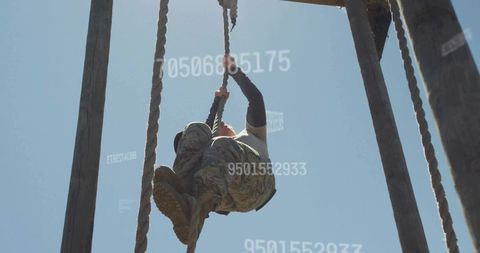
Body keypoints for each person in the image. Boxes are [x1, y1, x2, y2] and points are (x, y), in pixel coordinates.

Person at [153, 55, 276, 249]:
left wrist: (233, 71)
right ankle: (187, 204)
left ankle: (197, 209)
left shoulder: (250, 134)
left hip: (258, 183)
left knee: (218, 144)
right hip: (223, 195)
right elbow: (205, 130)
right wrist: (216, 107)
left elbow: (256, 100)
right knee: (195, 129)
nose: (219, 128)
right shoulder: (213, 154)